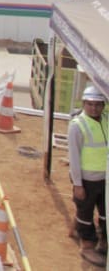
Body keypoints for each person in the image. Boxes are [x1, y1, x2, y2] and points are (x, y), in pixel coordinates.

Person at [69, 85, 108, 257]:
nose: (94, 108)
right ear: (84, 104)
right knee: (85, 213)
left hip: (106, 178)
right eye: (90, 104)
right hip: (87, 179)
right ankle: (87, 244)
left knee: (106, 213)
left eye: (98, 104)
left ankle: (104, 240)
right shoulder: (78, 126)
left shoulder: (106, 120)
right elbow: (74, 157)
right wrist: (78, 184)